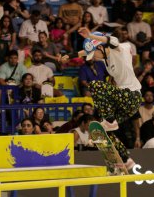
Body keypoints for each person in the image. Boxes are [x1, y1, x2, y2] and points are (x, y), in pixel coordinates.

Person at [61, 28, 142, 168]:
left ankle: (110, 120)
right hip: (125, 103)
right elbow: (87, 51)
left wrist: (90, 35)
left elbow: (110, 40)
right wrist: (70, 55)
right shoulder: (105, 57)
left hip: (132, 96)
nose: (93, 57)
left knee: (95, 85)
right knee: (103, 132)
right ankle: (126, 160)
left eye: (95, 53)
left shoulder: (119, 48)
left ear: (101, 47)